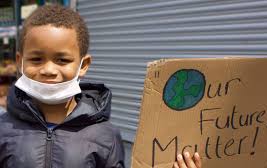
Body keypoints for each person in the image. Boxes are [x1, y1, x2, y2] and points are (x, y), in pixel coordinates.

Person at [0, 5, 201, 168]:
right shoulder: (4, 129)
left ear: (83, 65)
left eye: (62, 60)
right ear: (20, 61)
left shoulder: (105, 135)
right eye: (36, 59)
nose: (49, 70)